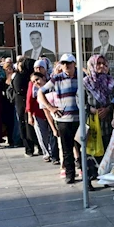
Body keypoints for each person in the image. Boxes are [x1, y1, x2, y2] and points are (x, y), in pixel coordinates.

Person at [38, 54, 81, 184]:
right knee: (67, 150)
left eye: (68, 63)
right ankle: (70, 174)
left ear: (74, 64)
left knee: (83, 149)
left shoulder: (81, 76)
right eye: (63, 63)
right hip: (64, 119)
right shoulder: (56, 78)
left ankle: (86, 173)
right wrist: (50, 107)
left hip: (80, 118)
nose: (66, 66)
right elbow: (40, 92)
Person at [82, 54, 114, 190]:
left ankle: (107, 178)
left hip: (108, 122)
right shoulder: (85, 82)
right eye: (98, 63)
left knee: (108, 151)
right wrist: (93, 110)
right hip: (92, 122)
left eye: (104, 63)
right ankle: (89, 179)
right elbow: (80, 101)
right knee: (90, 152)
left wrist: (108, 109)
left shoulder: (112, 82)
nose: (102, 66)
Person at [28, 71, 59, 164]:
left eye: (37, 79)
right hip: (44, 115)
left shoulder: (54, 86)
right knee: (48, 135)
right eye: (33, 82)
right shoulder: (39, 93)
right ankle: (53, 156)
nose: (36, 83)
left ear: (44, 78)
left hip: (61, 115)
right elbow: (29, 101)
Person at [13, 58, 37, 157]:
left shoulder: (29, 76)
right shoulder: (20, 76)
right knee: (26, 125)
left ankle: (36, 146)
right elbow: (19, 90)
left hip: (29, 102)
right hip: (23, 103)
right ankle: (29, 147)